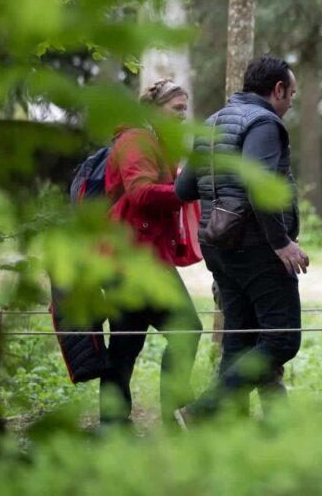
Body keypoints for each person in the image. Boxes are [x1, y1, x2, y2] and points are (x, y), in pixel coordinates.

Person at [174, 56, 309, 423]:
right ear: (277, 89)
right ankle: (203, 410)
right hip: (257, 249)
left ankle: (227, 428)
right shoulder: (265, 123)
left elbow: (184, 188)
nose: (293, 101)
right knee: (282, 339)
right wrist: (281, 242)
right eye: (292, 92)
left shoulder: (210, 124)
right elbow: (259, 185)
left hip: (217, 247)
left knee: (240, 338)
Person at [101, 78, 203, 426]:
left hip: (144, 256)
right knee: (181, 329)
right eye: (176, 110)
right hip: (129, 260)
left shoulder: (156, 142)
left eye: (184, 111)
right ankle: (165, 414)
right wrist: (184, 189)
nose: (181, 117)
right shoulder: (135, 140)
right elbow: (140, 194)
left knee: (129, 343)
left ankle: (117, 424)